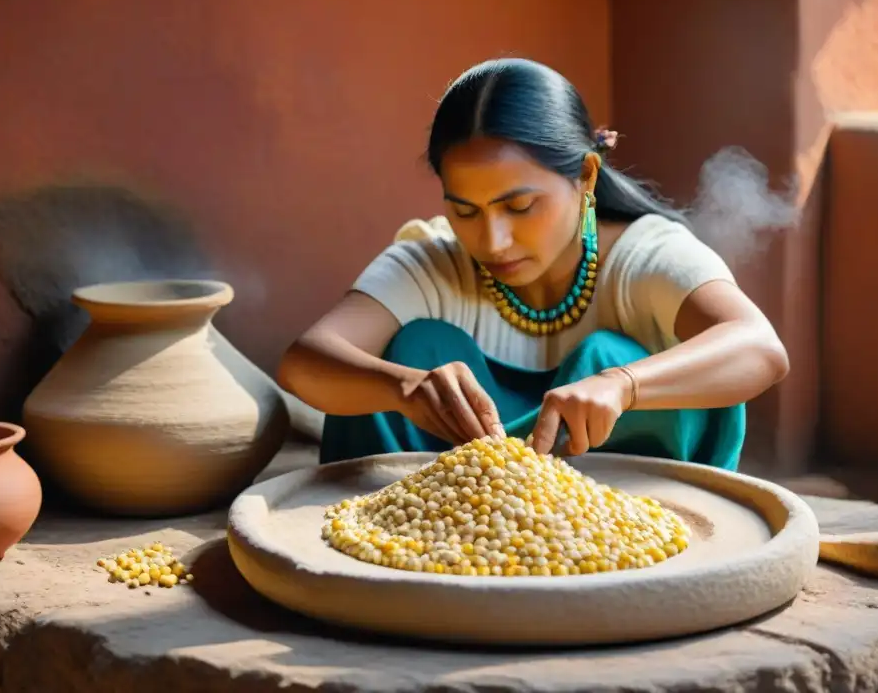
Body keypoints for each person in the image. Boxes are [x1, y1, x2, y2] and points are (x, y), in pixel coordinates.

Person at [276, 58, 789, 471]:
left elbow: (761, 348)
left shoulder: (643, 255)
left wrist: (622, 384)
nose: (493, 241)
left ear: (586, 175)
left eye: (519, 207)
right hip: (453, 519)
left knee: (608, 354)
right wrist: (403, 387)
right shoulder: (434, 261)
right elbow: (306, 362)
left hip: (613, 509)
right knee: (419, 349)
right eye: (465, 210)